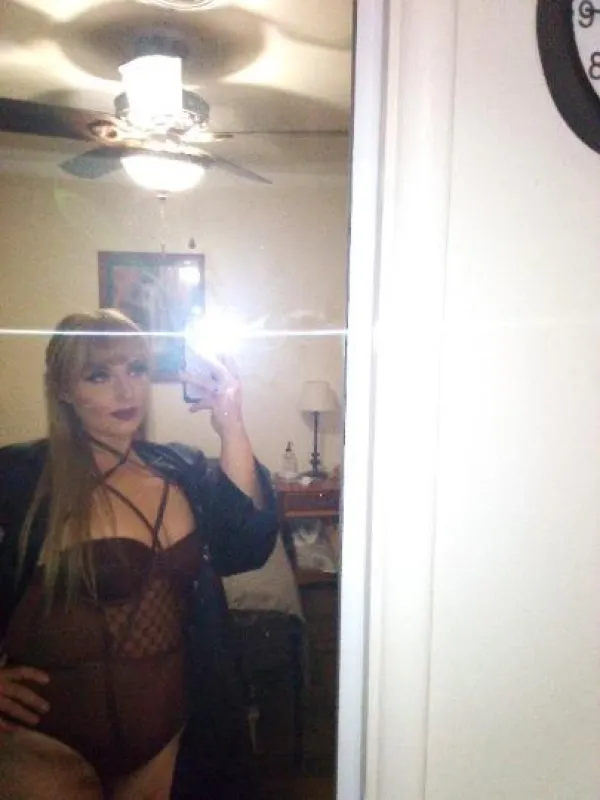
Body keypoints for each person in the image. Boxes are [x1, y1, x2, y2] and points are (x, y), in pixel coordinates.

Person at [0, 309, 279, 799]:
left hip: (167, 748)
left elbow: (245, 544)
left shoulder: (180, 468)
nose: (125, 390)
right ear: (63, 389)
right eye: (99, 375)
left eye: (136, 368)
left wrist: (231, 423)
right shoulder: (20, 476)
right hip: (47, 753)